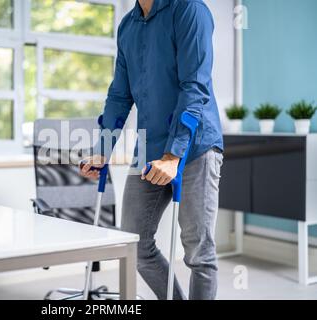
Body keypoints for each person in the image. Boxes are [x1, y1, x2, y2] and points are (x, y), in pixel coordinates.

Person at [80, 0, 224, 300]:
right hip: (148, 149)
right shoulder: (128, 26)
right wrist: (102, 149)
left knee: (199, 252)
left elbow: (194, 86)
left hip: (195, 146)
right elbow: (120, 95)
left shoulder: (189, 10)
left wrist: (173, 156)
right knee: (133, 242)